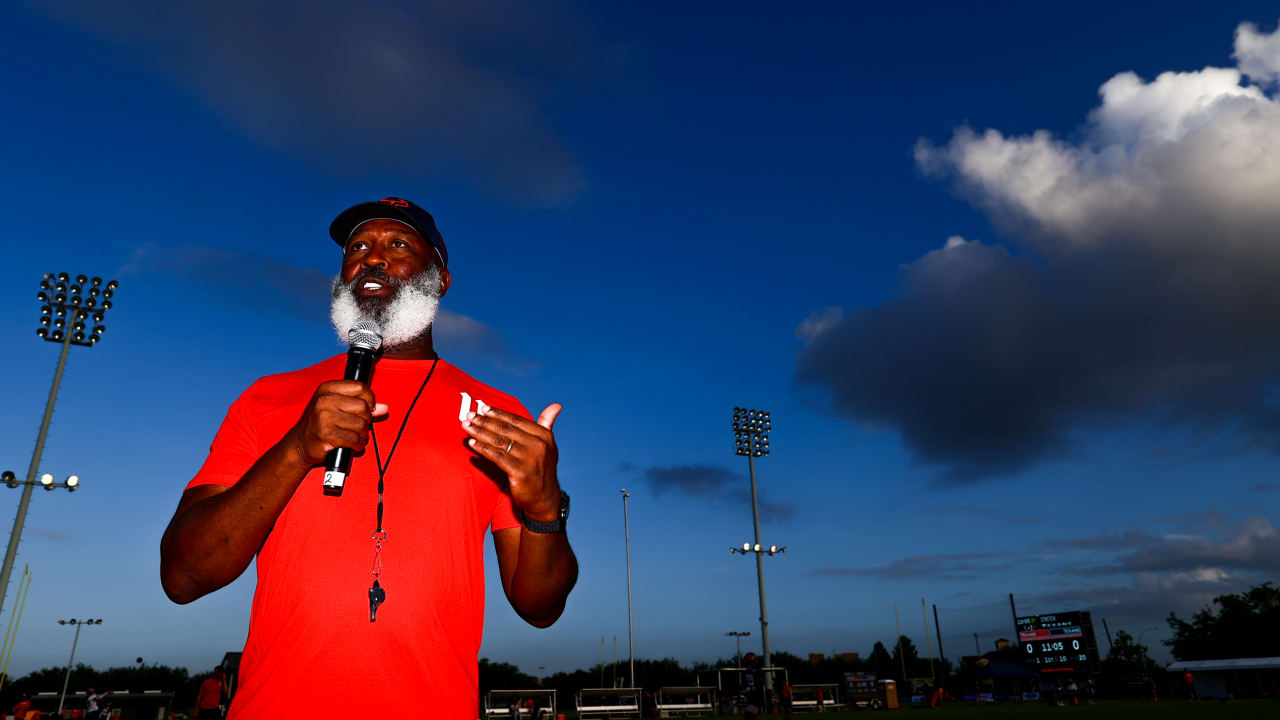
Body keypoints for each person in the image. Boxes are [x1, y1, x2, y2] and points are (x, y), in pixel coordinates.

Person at [160, 197, 579, 720]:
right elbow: (183, 577)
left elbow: (541, 608)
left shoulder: (496, 416)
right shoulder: (270, 398)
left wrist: (544, 511)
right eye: (358, 247)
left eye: (398, 244)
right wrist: (295, 450)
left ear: (441, 280)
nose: (371, 258)